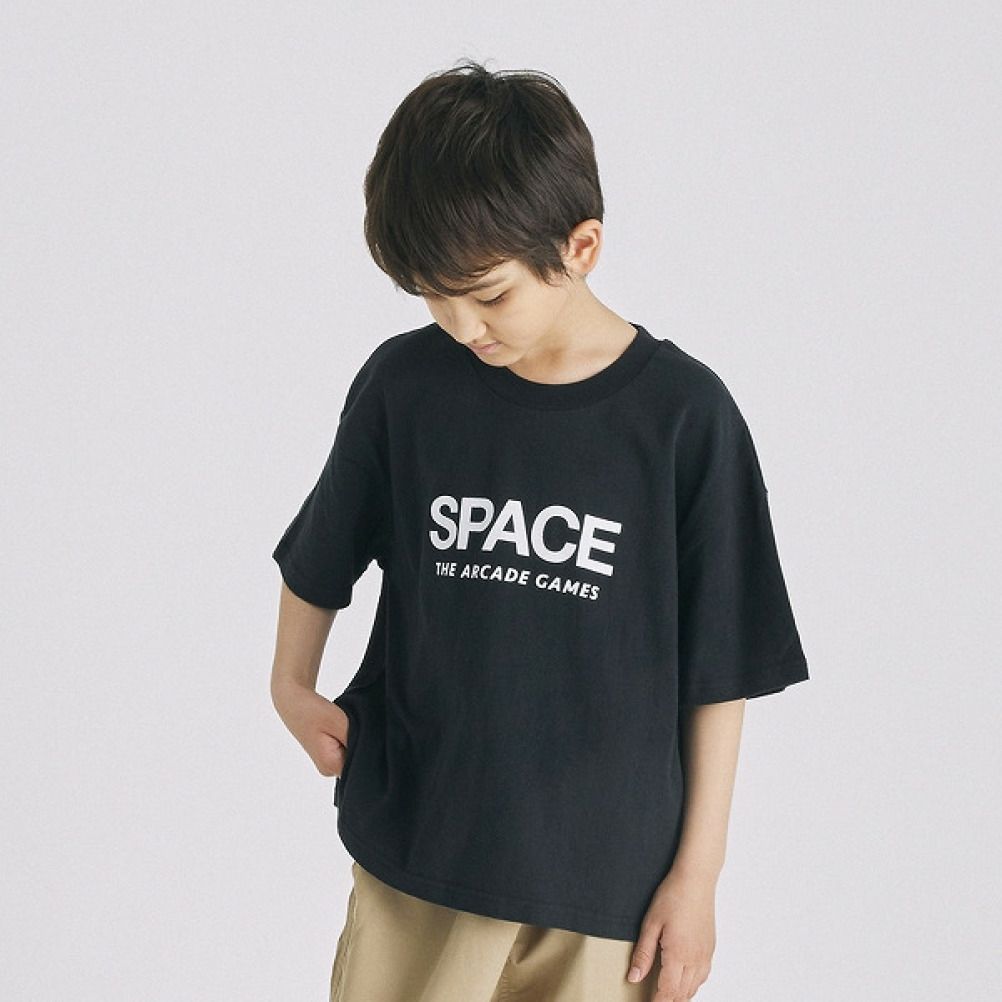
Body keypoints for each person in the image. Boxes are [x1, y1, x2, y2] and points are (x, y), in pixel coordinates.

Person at [270, 59, 810, 1002]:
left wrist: (698, 877)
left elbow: (720, 670)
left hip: (605, 891)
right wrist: (290, 684)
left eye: (488, 295)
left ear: (581, 245)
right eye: (431, 296)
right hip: (420, 857)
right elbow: (321, 554)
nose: (461, 325)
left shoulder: (685, 421)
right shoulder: (407, 388)